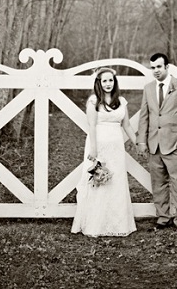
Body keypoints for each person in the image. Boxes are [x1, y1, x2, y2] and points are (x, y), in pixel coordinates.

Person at [71, 67, 137, 237]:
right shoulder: (94, 101)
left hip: (116, 147)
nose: (108, 84)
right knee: (98, 181)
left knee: (116, 181)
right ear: (99, 83)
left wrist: (137, 143)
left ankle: (117, 224)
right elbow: (92, 125)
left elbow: (127, 125)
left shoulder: (121, 101)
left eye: (111, 80)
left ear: (115, 82)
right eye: (104, 81)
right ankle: (96, 224)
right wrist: (94, 148)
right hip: (99, 145)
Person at [137, 53, 177, 234]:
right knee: (158, 182)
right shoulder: (148, 88)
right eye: (152, 68)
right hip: (154, 144)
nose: (155, 71)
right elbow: (144, 117)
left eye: (159, 67)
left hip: (175, 144)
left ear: (167, 67)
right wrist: (141, 141)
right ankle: (163, 217)